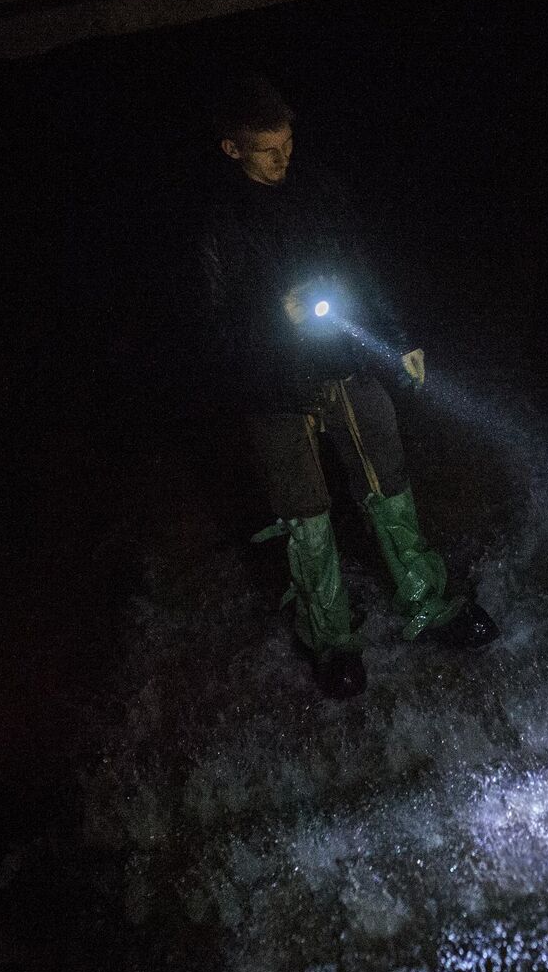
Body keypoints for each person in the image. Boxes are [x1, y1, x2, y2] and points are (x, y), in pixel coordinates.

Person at [197, 75, 497, 698]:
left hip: (345, 365)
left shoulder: (316, 191)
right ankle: (329, 637)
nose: (284, 158)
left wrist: (398, 334)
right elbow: (207, 327)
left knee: (387, 480)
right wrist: (273, 314)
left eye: (287, 143)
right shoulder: (215, 221)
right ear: (231, 149)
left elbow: (362, 263)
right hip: (273, 390)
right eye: (267, 150)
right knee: (305, 515)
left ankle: (428, 601)